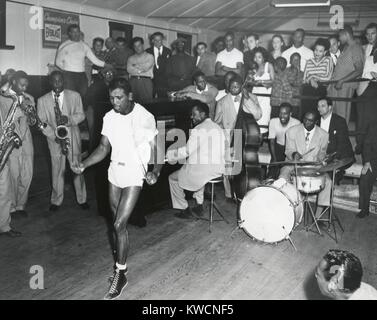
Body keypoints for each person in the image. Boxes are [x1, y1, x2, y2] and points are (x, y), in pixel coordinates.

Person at [71, 78, 162, 300]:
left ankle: (120, 274)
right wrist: (84, 164)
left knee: (120, 223)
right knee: (115, 225)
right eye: (111, 98)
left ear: (130, 96)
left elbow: (158, 147)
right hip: (115, 172)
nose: (114, 102)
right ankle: (122, 267)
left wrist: (156, 171)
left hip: (134, 173)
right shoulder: (109, 117)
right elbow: (103, 148)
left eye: (119, 97)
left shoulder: (144, 116)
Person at [37, 71, 89, 212]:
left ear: (64, 81)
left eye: (60, 81)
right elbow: (41, 123)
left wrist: (69, 119)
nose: (58, 84)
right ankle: (56, 200)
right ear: (50, 82)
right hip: (53, 140)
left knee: (77, 167)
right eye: (54, 81)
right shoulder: (42, 100)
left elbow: (82, 115)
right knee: (57, 170)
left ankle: (82, 198)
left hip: (72, 137)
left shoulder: (75, 96)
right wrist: (54, 136)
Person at [167, 103, 225, 219]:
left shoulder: (198, 129)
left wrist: (169, 155)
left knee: (172, 178)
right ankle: (199, 205)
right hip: (218, 170)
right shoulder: (217, 127)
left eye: (194, 115)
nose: (191, 117)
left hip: (204, 171)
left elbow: (187, 151)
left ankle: (183, 208)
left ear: (203, 114)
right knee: (198, 173)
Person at [215, 76, 262, 199]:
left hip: (246, 138)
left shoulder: (251, 97)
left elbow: (257, 115)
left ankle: (246, 191)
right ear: (228, 87)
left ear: (242, 86)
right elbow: (217, 123)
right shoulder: (221, 102)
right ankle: (229, 194)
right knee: (228, 168)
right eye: (232, 86)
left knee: (244, 166)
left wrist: (246, 99)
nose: (234, 88)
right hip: (229, 139)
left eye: (237, 86)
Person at [279, 111, 331, 219]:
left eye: (310, 120)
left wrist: (322, 159)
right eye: (305, 119)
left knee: (328, 182)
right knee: (282, 177)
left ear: (316, 122)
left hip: (313, 166)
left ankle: (317, 217)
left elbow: (322, 152)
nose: (306, 122)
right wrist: (294, 154)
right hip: (293, 163)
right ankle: (286, 210)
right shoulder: (291, 131)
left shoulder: (324, 135)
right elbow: (288, 150)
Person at [55, 24, 109, 98]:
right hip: (69, 75)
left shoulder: (84, 45)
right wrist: (67, 69)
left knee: (82, 94)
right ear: (69, 33)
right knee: (70, 96)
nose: (76, 34)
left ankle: (80, 109)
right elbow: (58, 63)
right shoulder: (64, 45)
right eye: (73, 32)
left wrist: (105, 65)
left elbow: (94, 59)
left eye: (77, 32)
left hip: (81, 75)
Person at [327, 26, 364, 124]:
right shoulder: (346, 47)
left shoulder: (356, 48)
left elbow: (359, 70)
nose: (339, 39)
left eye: (340, 36)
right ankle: (333, 138)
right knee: (332, 115)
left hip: (344, 86)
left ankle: (342, 138)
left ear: (346, 35)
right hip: (336, 86)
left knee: (341, 116)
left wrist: (342, 80)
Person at [317, 97, 354, 183]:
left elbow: (342, 144)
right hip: (323, 156)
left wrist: (330, 159)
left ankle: (337, 175)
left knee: (327, 176)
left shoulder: (340, 121)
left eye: (323, 106)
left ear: (330, 107)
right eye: (318, 106)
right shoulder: (316, 122)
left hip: (341, 156)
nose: (319, 109)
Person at [355, 23, 377, 154]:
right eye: (367, 34)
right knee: (361, 118)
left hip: (374, 86)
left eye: (373, 33)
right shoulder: (365, 48)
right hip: (362, 86)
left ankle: (369, 148)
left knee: (371, 119)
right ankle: (360, 146)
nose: (370, 36)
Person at [302, 38, 333, 116]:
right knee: (307, 115)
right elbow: (304, 80)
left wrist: (312, 77)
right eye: (316, 50)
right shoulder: (309, 61)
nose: (317, 53)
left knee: (318, 116)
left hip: (320, 91)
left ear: (325, 52)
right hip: (307, 91)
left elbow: (328, 78)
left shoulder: (328, 60)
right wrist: (311, 80)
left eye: (320, 51)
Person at [268, 103, 300, 179]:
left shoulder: (296, 123)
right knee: (271, 174)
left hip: (290, 150)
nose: (282, 116)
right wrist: (274, 158)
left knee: (285, 173)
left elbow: (297, 143)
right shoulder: (273, 121)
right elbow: (272, 141)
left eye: (285, 113)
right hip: (277, 148)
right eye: (280, 113)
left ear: (290, 114)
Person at [251, 48, 274, 135]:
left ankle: (262, 138)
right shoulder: (253, 68)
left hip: (265, 96)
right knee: (255, 116)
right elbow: (250, 82)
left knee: (264, 118)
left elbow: (273, 80)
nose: (257, 59)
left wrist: (261, 82)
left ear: (264, 58)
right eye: (255, 57)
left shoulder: (269, 65)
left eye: (259, 57)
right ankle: (255, 138)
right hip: (255, 96)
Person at [127, 37, 154, 103]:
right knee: (133, 104)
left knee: (147, 104)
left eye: (139, 45)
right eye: (135, 46)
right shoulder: (130, 58)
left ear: (142, 45)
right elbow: (129, 70)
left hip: (145, 82)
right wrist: (141, 70)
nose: (137, 48)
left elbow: (146, 67)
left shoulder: (150, 56)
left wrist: (135, 66)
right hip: (133, 82)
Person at [358, 123, 377, 218]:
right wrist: (367, 162)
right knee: (364, 180)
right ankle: (365, 209)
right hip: (374, 161)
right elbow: (366, 144)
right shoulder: (373, 126)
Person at [146, 32, 172, 98]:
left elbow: (170, 67)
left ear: (162, 40)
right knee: (150, 100)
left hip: (164, 82)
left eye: (159, 40)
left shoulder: (168, 51)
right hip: (151, 81)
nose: (157, 42)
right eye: (155, 40)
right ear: (152, 41)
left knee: (163, 102)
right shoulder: (147, 51)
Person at [285, 53, 304, 118]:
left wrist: (298, 72)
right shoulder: (285, 71)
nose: (296, 62)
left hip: (296, 102)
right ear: (290, 61)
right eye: (294, 60)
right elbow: (292, 83)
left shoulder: (302, 73)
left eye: (298, 60)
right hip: (286, 100)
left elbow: (299, 84)